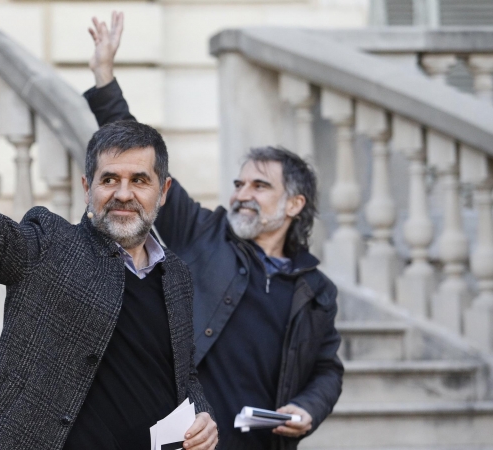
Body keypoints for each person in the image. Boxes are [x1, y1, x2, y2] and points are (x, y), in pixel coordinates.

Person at [0, 78, 218, 450]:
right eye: (109, 179)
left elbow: (183, 374)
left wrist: (202, 414)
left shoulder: (176, 276)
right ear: (88, 188)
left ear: (162, 192)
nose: (123, 194)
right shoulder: (51, 245)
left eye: (139, 180)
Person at [84, 13, 343, 450]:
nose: (242, 194)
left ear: (294, 204)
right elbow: (135, 156)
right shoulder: (203, 231)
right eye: (239, 183)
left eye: (260, 186)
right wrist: (104, 77)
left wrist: (308, 408)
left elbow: (327, 369)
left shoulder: (315, 290)